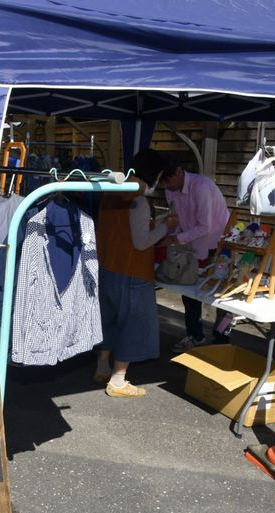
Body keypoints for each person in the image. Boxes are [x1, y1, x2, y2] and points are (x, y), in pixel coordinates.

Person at [95, 149, 178, 398]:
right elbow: (141, 242)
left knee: (108, 321)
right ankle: (118, 380)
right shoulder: (139, 200)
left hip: (107, 267)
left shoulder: (112, 191)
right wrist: (166, 226)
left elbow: (123, 229)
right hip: (133, 272)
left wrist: (158, 220)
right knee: (132, 326)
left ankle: (102, 366)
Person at [161, 155, 231, 351]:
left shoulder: (201, 187)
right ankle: (195, 335)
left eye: (168, 180)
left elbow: (205, 227)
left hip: (214, 243)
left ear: (178, 171)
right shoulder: (170, 189)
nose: (166, 185)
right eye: (163, 182)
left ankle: (222, 338)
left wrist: (176, 239)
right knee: (188, 291)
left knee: (219, 293)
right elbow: (176, 220)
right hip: (191, 243)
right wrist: (169, 234)